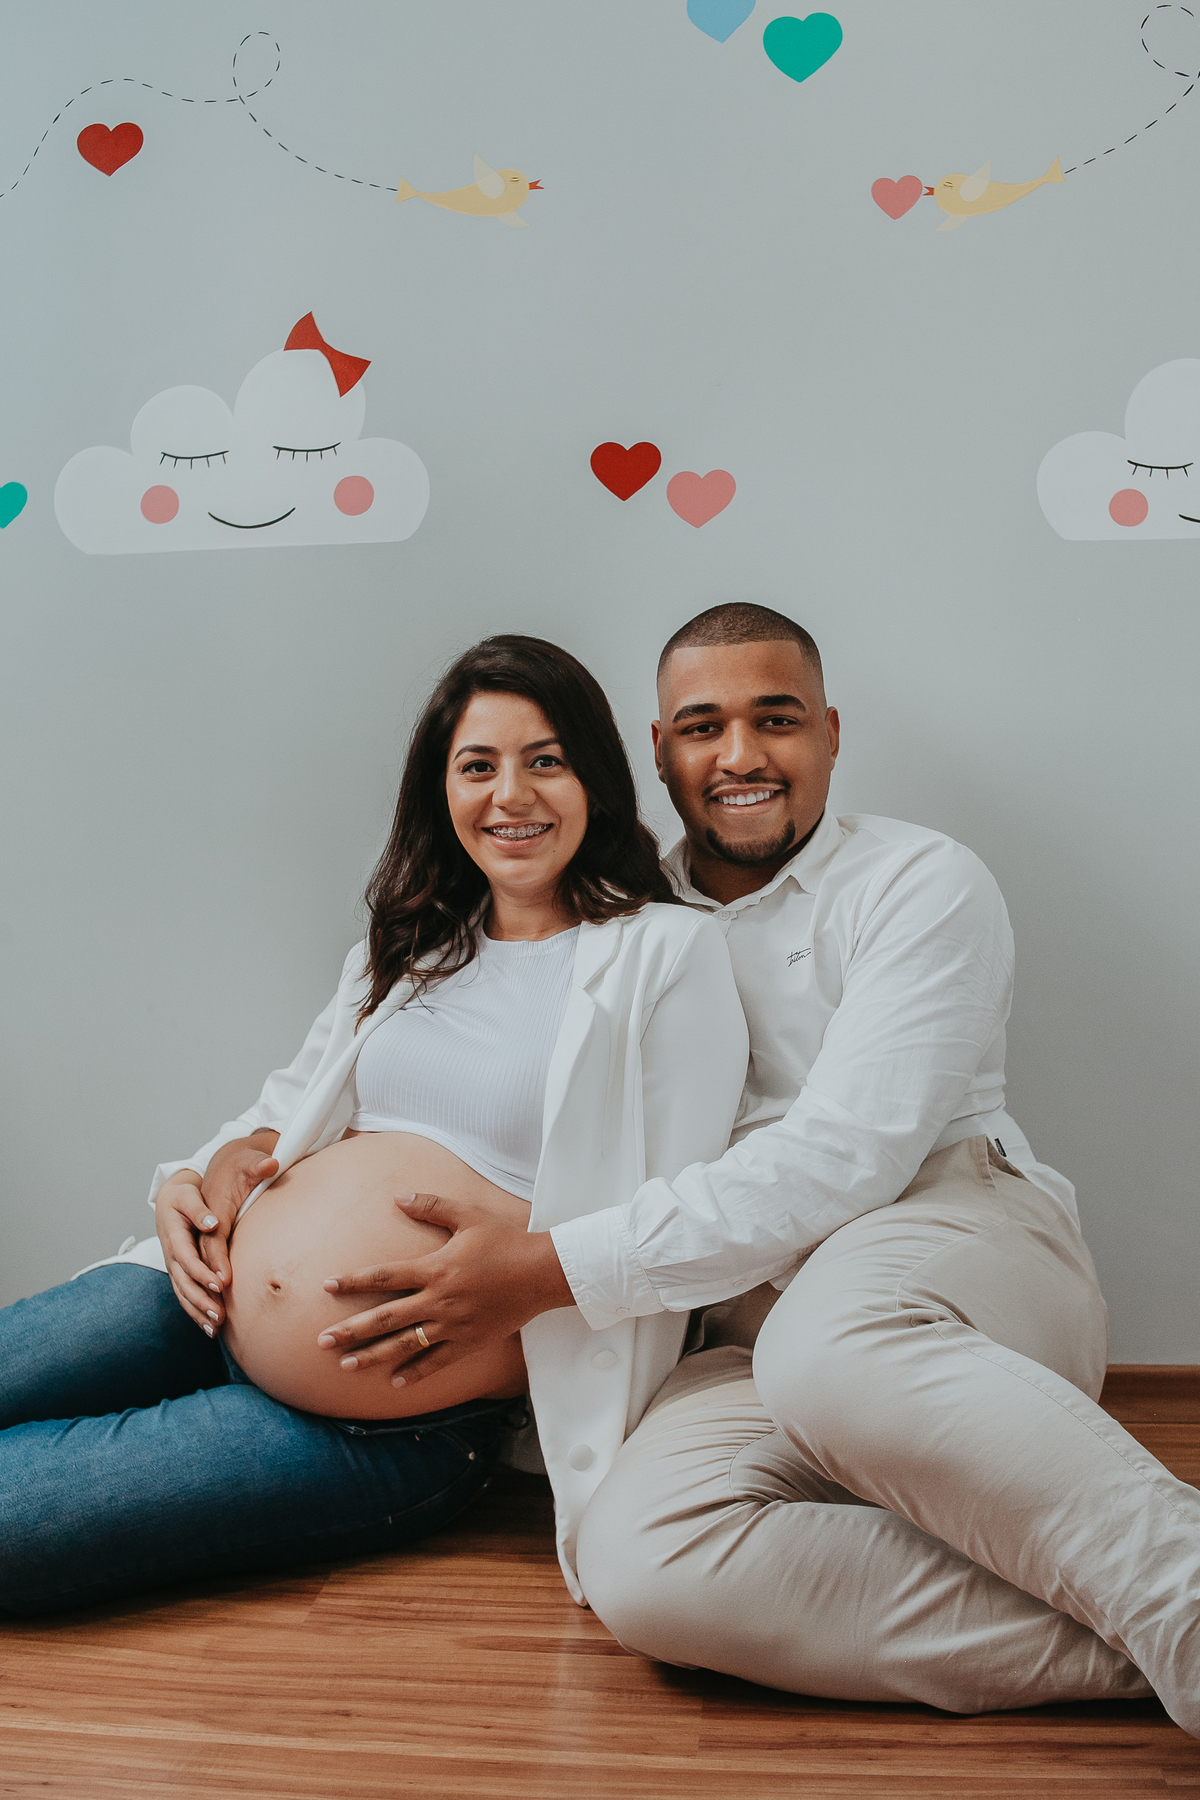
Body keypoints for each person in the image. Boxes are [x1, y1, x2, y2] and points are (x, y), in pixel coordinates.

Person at [322, 604, 1200, 1739]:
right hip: (736, 1326)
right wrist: (247, 1150)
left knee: (831, 1350)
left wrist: (551, 1268)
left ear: (830, 734)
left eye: (775, 719)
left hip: (948, 1233)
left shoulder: (916, 880)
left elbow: (850, 1154)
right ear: (656, 753)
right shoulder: (626, 920)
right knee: (641, 1564)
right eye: (702, 727)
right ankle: (1145, 1641)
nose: (739, 756)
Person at [0, 634, 748, 1614]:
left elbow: (684, 1215)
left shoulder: (670, 953)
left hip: (397, 1423)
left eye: (545, 760)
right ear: (442, 789)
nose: (509, 795)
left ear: (597, 780)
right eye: (477, 765)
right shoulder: (409, 948)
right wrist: (207, 1167)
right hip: (201, 1301)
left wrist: (525, 1269)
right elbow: (284, 1110)